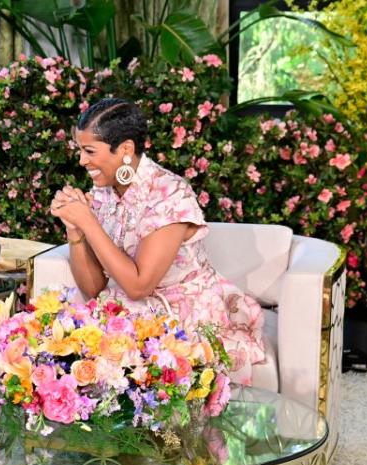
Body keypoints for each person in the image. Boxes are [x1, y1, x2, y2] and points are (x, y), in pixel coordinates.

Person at [50, 97, 265, 384]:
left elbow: (139, 286)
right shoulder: (104, 191)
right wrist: (75, 229)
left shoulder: (169, 194)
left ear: (125, 149)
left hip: (183, 317)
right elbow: (93, 288)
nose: (81, 160)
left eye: (89, 150)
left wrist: (87, 221)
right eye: (79, 149)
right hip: (127, 309)